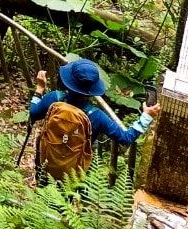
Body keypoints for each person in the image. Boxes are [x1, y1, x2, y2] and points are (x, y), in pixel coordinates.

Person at [29, 57, 161, 182]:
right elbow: (125, 138)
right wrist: (147, 116)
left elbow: (33, 113)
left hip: (46, 158)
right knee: (65, 199)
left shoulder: (53, 99)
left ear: (69, 81)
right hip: (73, 169)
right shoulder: (97, 116)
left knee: (43, 188)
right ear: (92, 89)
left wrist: (40, 88)